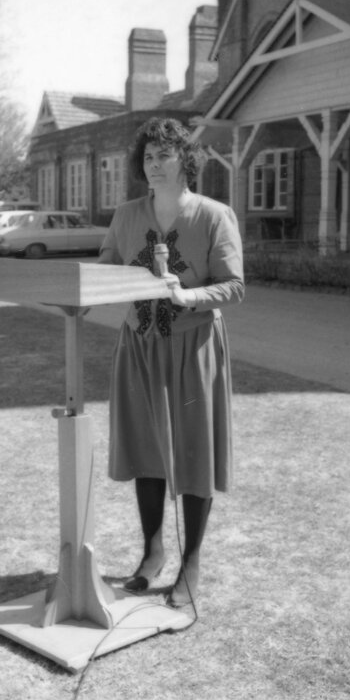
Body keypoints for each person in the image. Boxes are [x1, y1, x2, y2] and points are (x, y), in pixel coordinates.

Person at [98, 117, 244, 609]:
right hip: (139, 345)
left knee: (193, 452)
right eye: (147, 157)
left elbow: (234, 285)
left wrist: (188, 294)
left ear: (186, 161)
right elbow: (104, 271)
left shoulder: (214, 215)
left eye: (163, 155)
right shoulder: (126, 216)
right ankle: (152, 552)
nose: (153, 165)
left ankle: (192, 562)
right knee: (146, 449)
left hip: (193, 345)